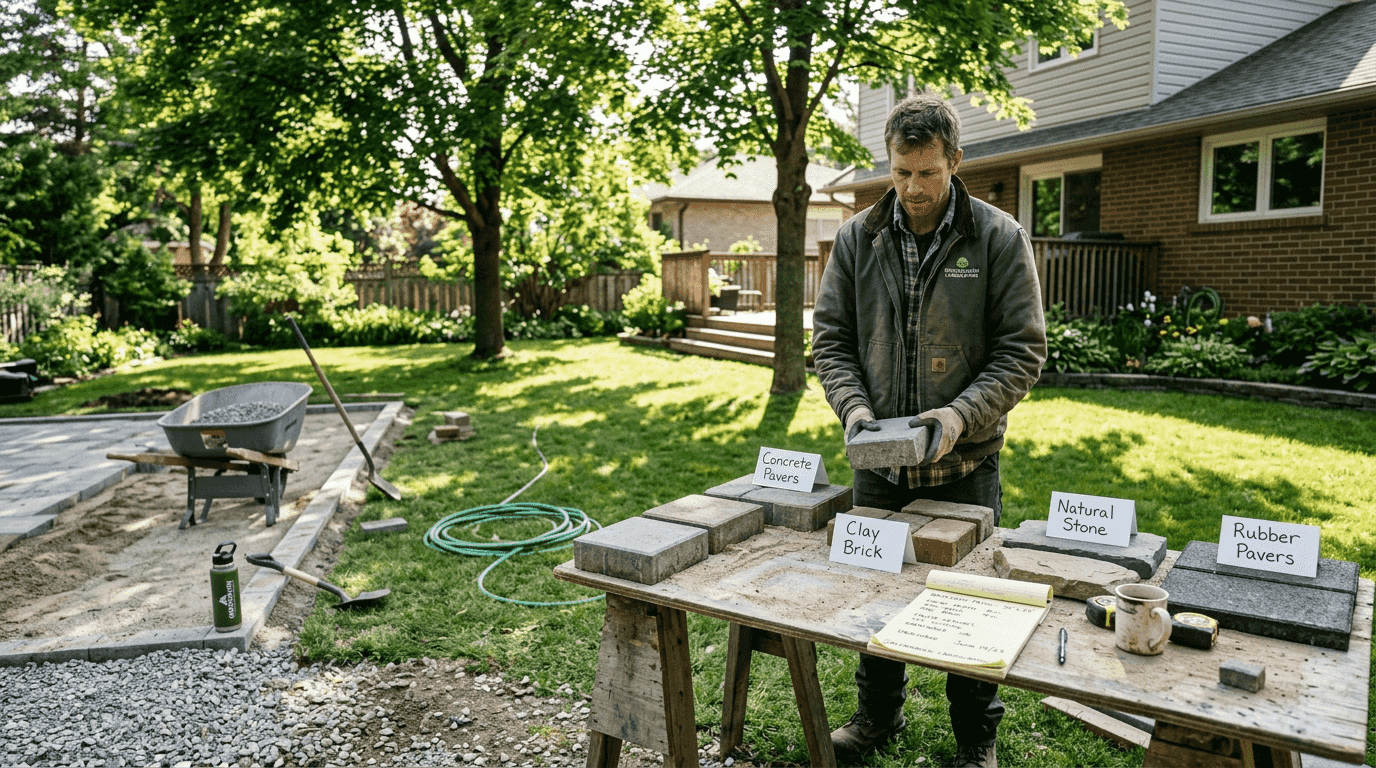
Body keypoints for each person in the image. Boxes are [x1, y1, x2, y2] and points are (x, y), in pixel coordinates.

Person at [811, 93, 1047, 768]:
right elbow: (831, 341)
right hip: (878, 467)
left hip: (965, 465)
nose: (913, 189)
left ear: (956, 162)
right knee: (874, 598)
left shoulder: (997, 237)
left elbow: (1022, 351)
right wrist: (855, 412)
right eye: (901, 171)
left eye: (928, 173)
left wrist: (957, 416)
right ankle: (876, 718)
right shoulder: (860, 237)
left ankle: (976, 739)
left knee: (970, 605)